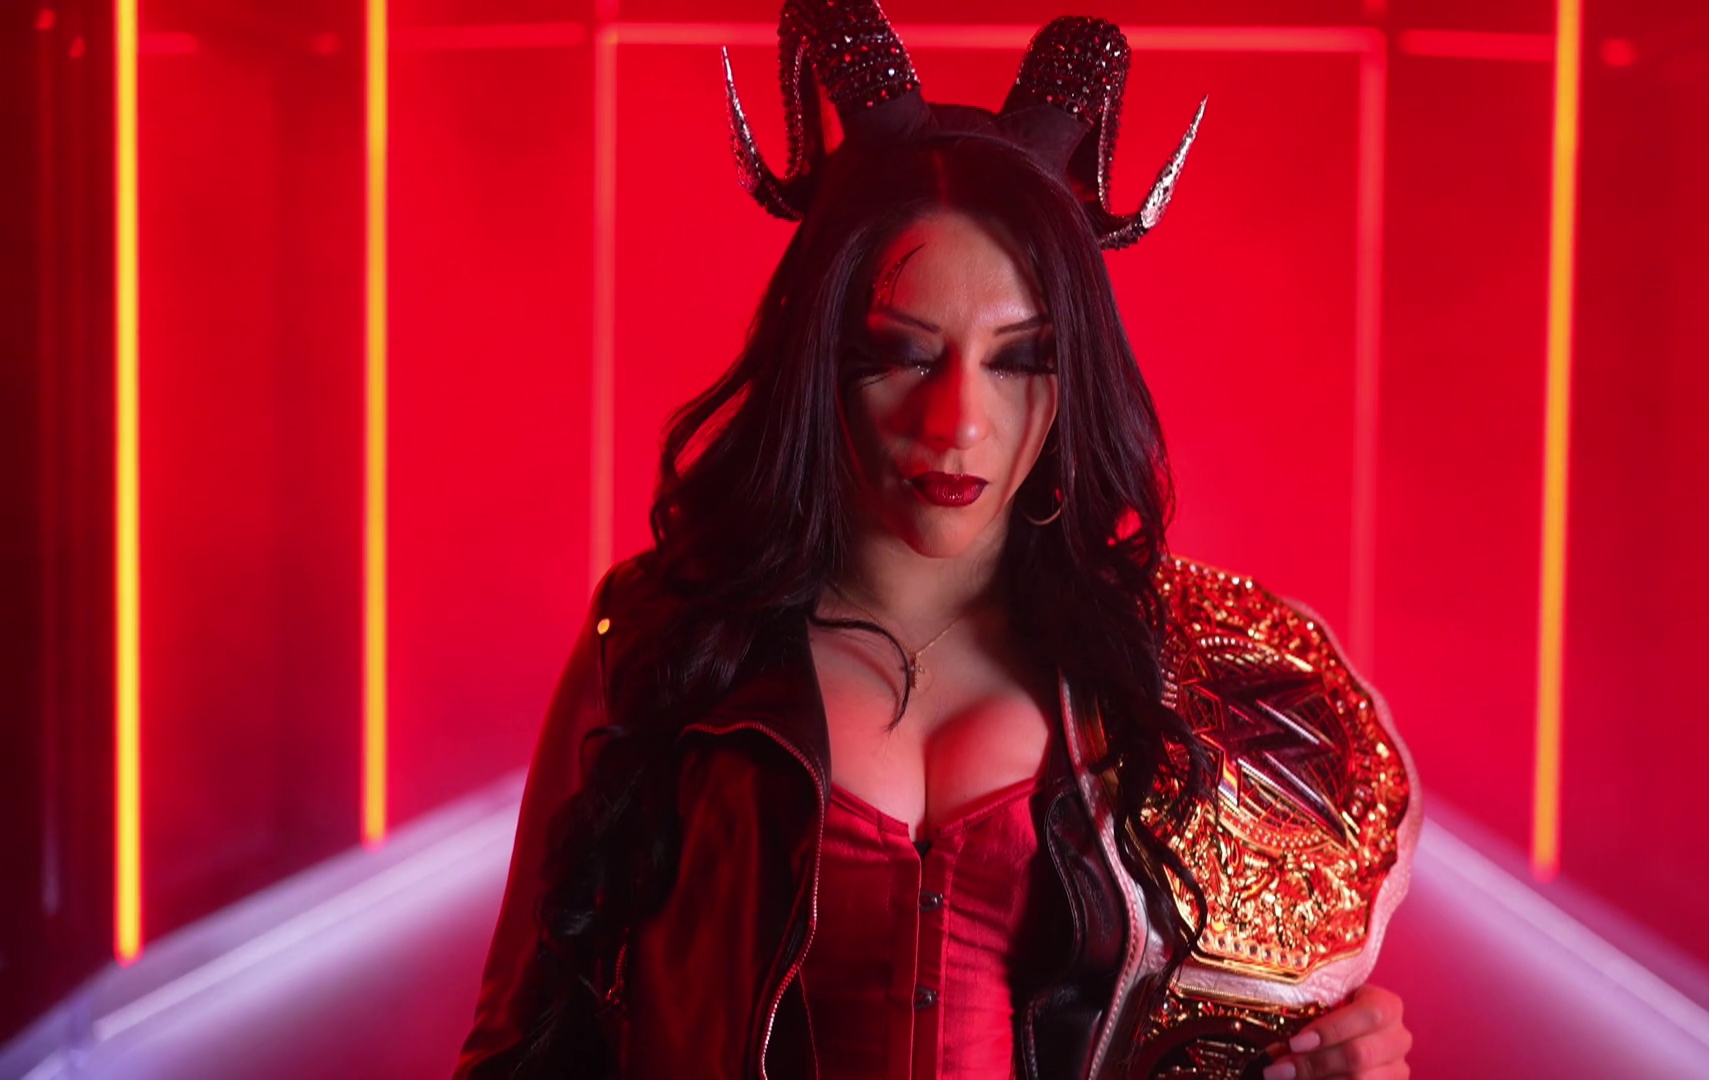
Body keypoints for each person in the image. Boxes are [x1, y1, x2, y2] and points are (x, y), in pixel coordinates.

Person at [455, 6, 1420, 1079]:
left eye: (1019, 359)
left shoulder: (1183, 678)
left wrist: (1329, 1061)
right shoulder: (661, 642)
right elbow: (521, 1046)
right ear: (820, 360)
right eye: (905, 354)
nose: (959, 423)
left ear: (1076, 373)